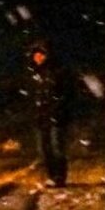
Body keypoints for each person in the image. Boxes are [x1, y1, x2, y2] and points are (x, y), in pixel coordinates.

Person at [28, 41, 72, 186]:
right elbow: (33, 97)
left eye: (41, 55)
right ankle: (52, 176)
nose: (38, 58)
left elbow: (65, 94)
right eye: (36, 55)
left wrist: (58, 110)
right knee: (44, 149)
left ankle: (59, 177)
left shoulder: (57, 72)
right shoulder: (36, 75)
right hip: (41, 118)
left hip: (56, 117)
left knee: (56, 148)